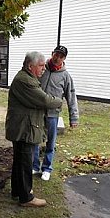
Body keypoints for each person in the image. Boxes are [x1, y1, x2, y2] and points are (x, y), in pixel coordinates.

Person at [5, 51, 62, 207]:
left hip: (23, 127)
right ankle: (26, 197)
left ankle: (17, 191)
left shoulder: (28, 78)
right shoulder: (25, 81)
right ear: (30, 66)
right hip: (24, 129)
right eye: (41, 66)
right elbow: (43, 100)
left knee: (20, 161)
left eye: (44, 65)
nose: (44, 69)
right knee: (25, 162)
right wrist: (58, 101)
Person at [32, 45, 79, 181]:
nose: (57, 58)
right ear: (52, 54)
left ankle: (47, 168)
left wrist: (74, 117)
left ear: (64, 58)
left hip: (53, 114)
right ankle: (35, 166)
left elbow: (71, 96)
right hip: (38, 112)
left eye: (61, 56)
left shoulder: (65, 76)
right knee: (35, 139)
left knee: (50, 142)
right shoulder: (42, 69)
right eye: (56, 54)